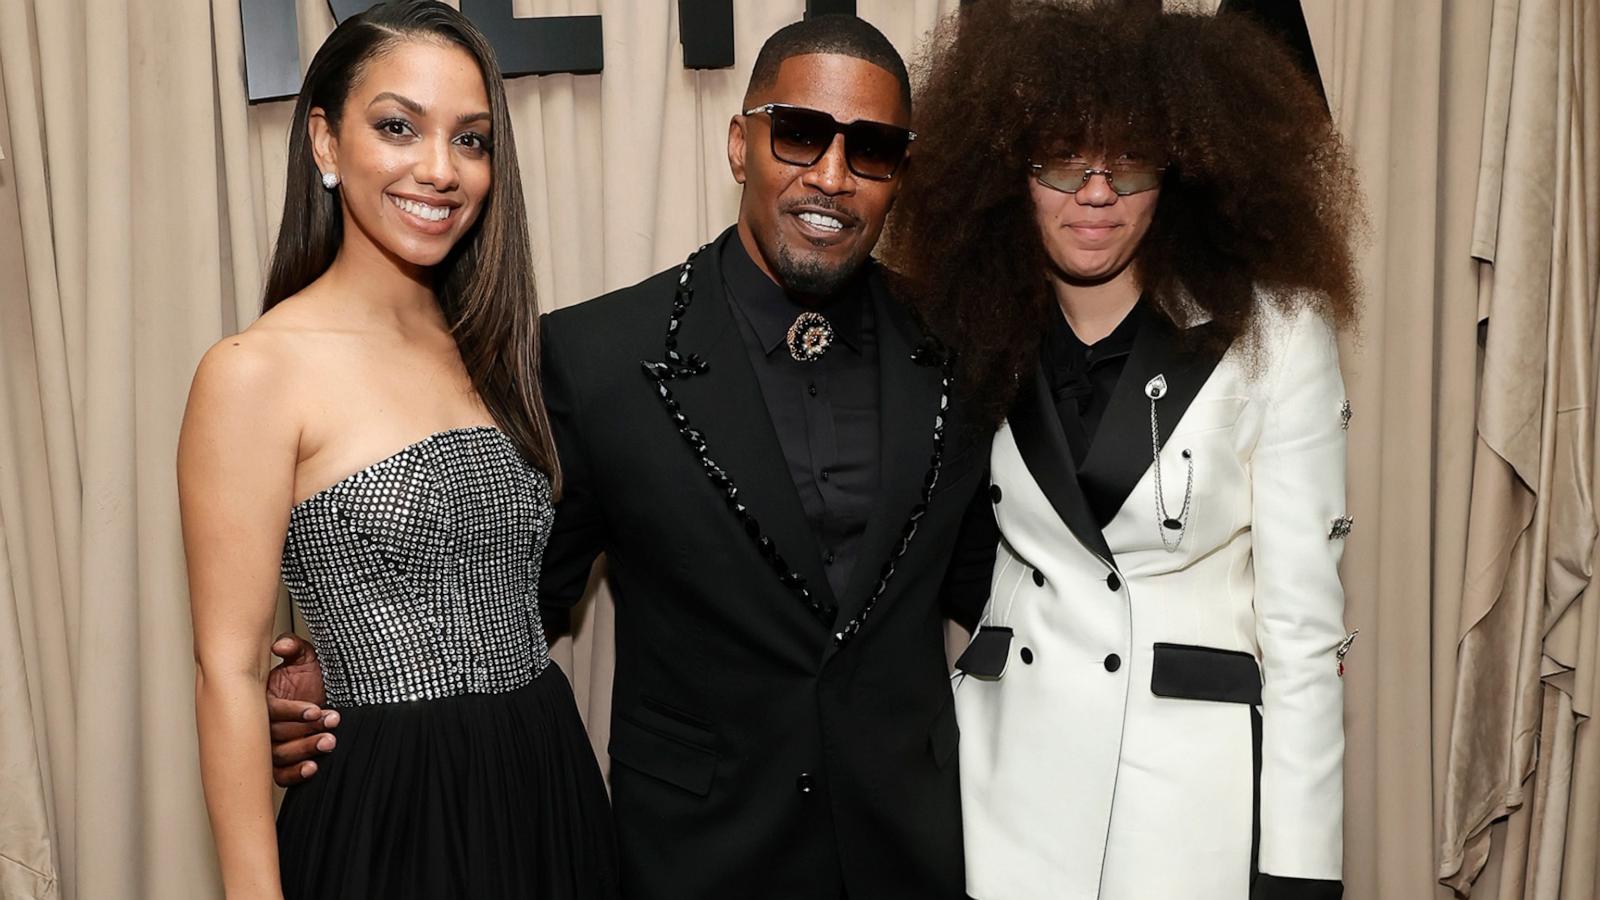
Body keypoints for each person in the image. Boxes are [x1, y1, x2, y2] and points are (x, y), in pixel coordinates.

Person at [266, 14, 996, 900]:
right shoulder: (598, 357)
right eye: (800, 134)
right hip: (697, 861)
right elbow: (501, 595)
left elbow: (1009, 594)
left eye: (871, 149)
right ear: (740, 143)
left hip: (910, 854)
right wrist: (335, 673)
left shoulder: (966, 353)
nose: (831, 177)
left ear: (901, 174)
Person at [883, 3, 1361, 899]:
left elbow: (1302, 638)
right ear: (1011, 173)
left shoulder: (1278, 335)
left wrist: (1299, 871)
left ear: (1177, 170)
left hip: (1186, 811)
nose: (1094, 193)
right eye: (1063, 160)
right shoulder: (969, 332)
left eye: (1128, 162)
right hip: (1004, 796)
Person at [178, 3, 617, 898]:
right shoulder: (254, 371)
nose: (438, 169)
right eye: (397, 127)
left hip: (546, 781)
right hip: (391, 812)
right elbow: (226, 672)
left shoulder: (497, 349)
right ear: (326, 144)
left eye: (471, 140)